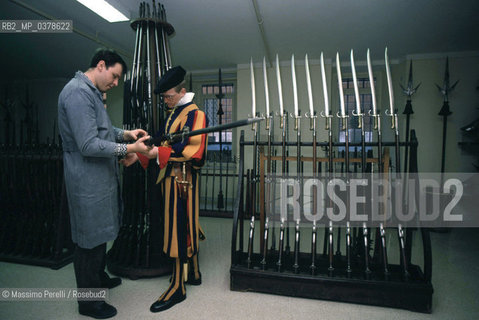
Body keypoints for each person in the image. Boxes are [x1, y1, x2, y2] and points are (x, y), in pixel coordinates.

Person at [58, 48, 151, 319]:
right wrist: (130, 147)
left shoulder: (92, 93)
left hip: (99, 177)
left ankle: (98, 278)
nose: (116, 82)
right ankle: (88, 303)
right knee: (89, 240)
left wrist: (125, 133)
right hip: (86, 179)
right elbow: (88, 144)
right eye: (115, 75)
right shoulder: (77, 92)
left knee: (100, 233)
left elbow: (101, 129)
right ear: (100, 65)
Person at [122, 66, 208, 313]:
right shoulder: (174, 113)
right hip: (169, 178)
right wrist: (138, 155)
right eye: (164, 98)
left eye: (169, 96)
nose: (166, 102)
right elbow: (158, 140)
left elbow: (195, 153)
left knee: (179, 229)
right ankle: (193, 273)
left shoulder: (196, 115)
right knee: (179, 226)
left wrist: (157, 151)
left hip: (183, 182)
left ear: (182, 91)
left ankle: (178, 287)